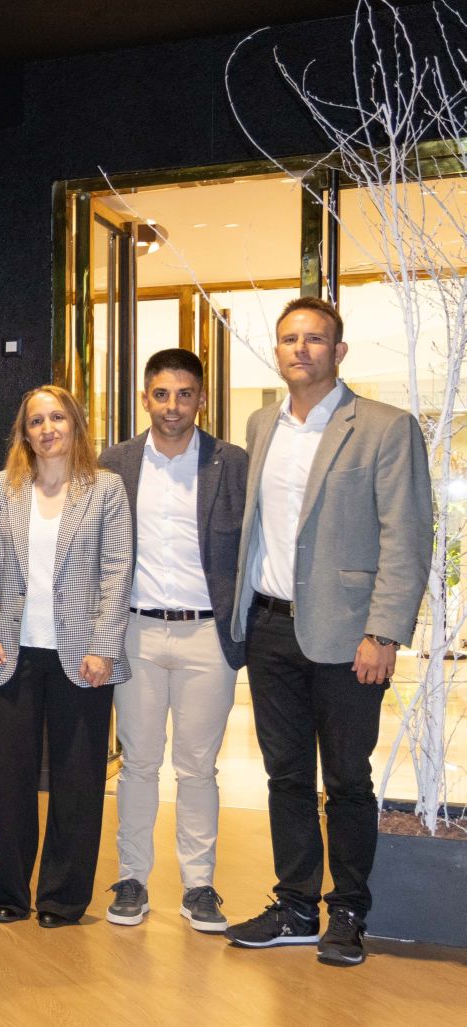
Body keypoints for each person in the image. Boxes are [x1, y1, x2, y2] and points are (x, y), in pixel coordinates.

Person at [225, 297, 432, 966]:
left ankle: (348, 910)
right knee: (285, 774)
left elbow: (407, 534)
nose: (301, 348)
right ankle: (293, 905)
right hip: (269, 625)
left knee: (346, 776)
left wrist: (385, 631)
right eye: (289, 338)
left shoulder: (383, 426)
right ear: (277, 350)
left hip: (349, 636)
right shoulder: (262, 424)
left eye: (316, 338)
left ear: (339, 352)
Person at [0, 385, 132, 927]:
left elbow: (117, 572)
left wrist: (104, 647)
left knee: (77, 782)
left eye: (57, 417)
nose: (47, 429)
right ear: (24, 432)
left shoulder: (105, 489)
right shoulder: (0, 487)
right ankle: (9, 889)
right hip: (13, 654)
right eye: (36, 421)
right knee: (9, 780)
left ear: (75, 425)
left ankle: (63, 897)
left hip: (82, 657)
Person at [97, 348, 248, 933]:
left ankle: (199, 885)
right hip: (135, 630)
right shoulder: (115, 464)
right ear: (145, 398)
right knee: (137, 763)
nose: (173, 406)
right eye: (161, 394)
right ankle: (132, 878)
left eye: (185, 394)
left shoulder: (231, 464)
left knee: (197, 767)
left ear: (202, 399)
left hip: (208, 634)